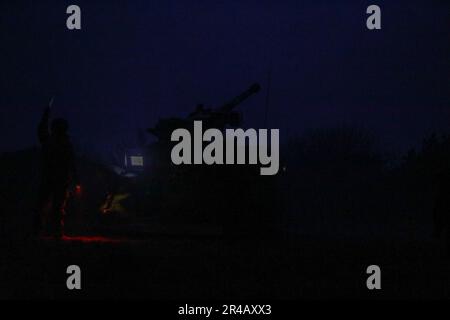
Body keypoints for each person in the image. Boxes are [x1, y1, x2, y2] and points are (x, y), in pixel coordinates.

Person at [33, 104, 78, 238]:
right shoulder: (64, 143)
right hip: (59, 179)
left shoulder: (51, 141)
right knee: (55, 206)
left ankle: (40, 231)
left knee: (45, 205)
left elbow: (41, 130)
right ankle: (53, 231)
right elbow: (71, 163)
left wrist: (45, 114)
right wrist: (75, 178)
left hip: (51, 178)